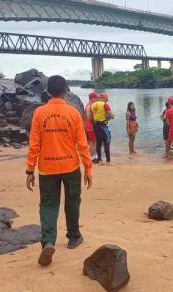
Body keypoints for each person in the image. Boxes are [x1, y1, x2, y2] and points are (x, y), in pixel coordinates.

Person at [26, 75, 93, 267]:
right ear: (66, 91)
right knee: (72, 202)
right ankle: (74, 237)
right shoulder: (73, 113)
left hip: (47, 168)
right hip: (70, 166)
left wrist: (30, 169)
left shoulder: (39, 113)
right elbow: (82, 144)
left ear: (47, 91)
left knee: (48, 205)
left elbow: (34, 144)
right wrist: (88, 168)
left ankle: (48, 241)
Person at [91, 93, 114, 165]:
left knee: (98, 143)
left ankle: (100, 161)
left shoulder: (93, 105)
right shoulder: (105, 104)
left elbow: (91, 116)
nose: (107, 100)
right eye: (107, 99)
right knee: (107, 142)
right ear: (104, 98)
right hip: (102, 126)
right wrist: (108, 118)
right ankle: (108, 161)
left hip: (95, 125)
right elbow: (111, 115)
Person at [85, 92, 98, 162]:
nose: (96, 100)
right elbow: (89, 118)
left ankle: (94, 156)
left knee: (92, 142)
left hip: (89, 126)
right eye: (95, 98)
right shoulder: (89, 106)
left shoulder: (90, 105)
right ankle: (91, 157)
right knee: (93, 142)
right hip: (91, 126)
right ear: (92, 98)